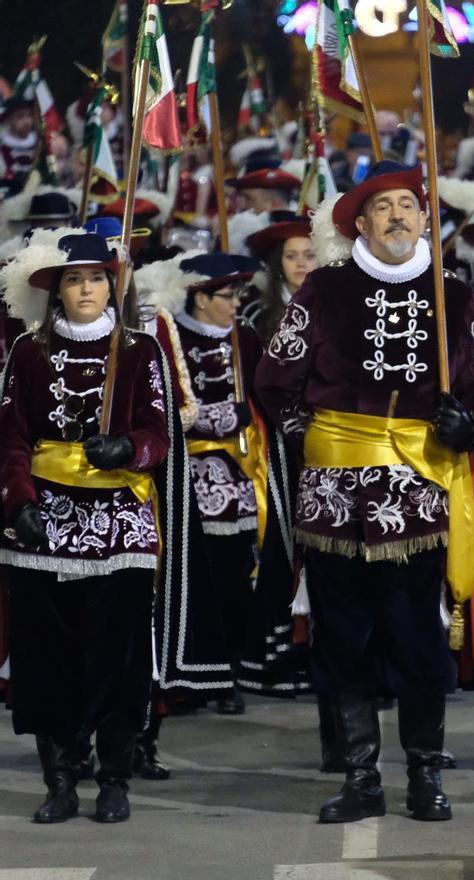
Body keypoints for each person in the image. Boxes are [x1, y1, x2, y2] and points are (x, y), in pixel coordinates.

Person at [255, 160, 474, 823]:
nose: (396, 217)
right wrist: (310, 433)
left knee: (418, 639)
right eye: (382, 208)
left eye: (408, 207)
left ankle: (425, 775)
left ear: (426, 220)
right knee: (342, 638)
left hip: (418, 493)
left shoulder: (454, 294)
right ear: (359, 223)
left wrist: (465, 424)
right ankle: (361, 777)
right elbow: (274, 379)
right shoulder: (323, 291)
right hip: (332, 496)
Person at [0, 233, 172, 823]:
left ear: (113, 286)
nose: (85, 290)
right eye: (73, 280)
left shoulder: (141, 350)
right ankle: (60, 779)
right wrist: (19, 501)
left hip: (119, 518)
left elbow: (159, 434)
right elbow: (11, 437)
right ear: (55, 291)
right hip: (42, 518)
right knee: (47, 656)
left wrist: (128, 446)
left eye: (95, 278)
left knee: (118, 656)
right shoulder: (27, 350)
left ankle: (115, 777)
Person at [174, 252, 266, 716]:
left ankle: (231, 668)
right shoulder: (170, 337)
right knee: (198, 577)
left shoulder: (243, 336)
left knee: (236, 577)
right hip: (191, 477)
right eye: (228, 296)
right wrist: (230, 416)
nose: (236, 304)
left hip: (243, 475)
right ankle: (193, 672)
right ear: (201, 296)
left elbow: (263, 392)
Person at [243, 212, 316, 341]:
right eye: (290, 256)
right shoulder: (257, 315)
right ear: (279, 263)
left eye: (309, 256)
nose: (300, 264)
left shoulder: (336, 309)